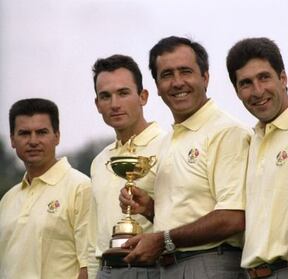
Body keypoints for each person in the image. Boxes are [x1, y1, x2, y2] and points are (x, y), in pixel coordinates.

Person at [119, 36, 251, 279]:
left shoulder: (227, 131)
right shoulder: (168, 140)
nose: (177, 82)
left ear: (205, 77)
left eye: (185, 71)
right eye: (167, 74)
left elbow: (233, 217)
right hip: (171, 267)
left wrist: (164, 239)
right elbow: (189, 213)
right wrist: (150, 209)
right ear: (157, 86)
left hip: (211, 264)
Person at [226, 38, 288, 279]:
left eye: (264, 77)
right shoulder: (254, 137)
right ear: (237, 91)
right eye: (246, 83)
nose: (257, 91)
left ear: (283, 78)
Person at [89, 54, 165, 279]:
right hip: (105, 271)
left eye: (123, 93)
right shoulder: (99, 161)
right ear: (97, 104)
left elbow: (183, 222)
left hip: (152, 269)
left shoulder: (168, 147)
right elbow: (94, 239)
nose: (114, 104)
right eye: (105, 96)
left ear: (143, 96)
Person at [0, 98, 91, 279]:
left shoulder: (80, 187)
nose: (33, 141)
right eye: (24, 133)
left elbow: (89, 266)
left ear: (57, 136)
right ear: (12, 140)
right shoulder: (7, 200)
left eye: (41, 132)